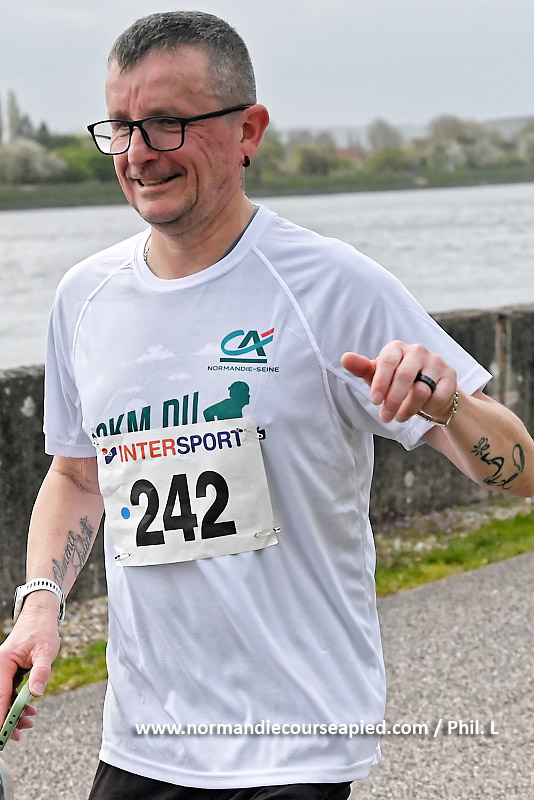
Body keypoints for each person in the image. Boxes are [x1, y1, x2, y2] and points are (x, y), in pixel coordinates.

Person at [0, 11, 532, 800]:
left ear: (248, 130)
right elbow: (78, 476)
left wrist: (452, 408)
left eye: (168, 123)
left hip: (297, 746)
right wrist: (39, 605)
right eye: (121, 126)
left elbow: (521, 472)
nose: (139, 153)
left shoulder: (331, 286)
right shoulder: (86, 297)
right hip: (146, 737)